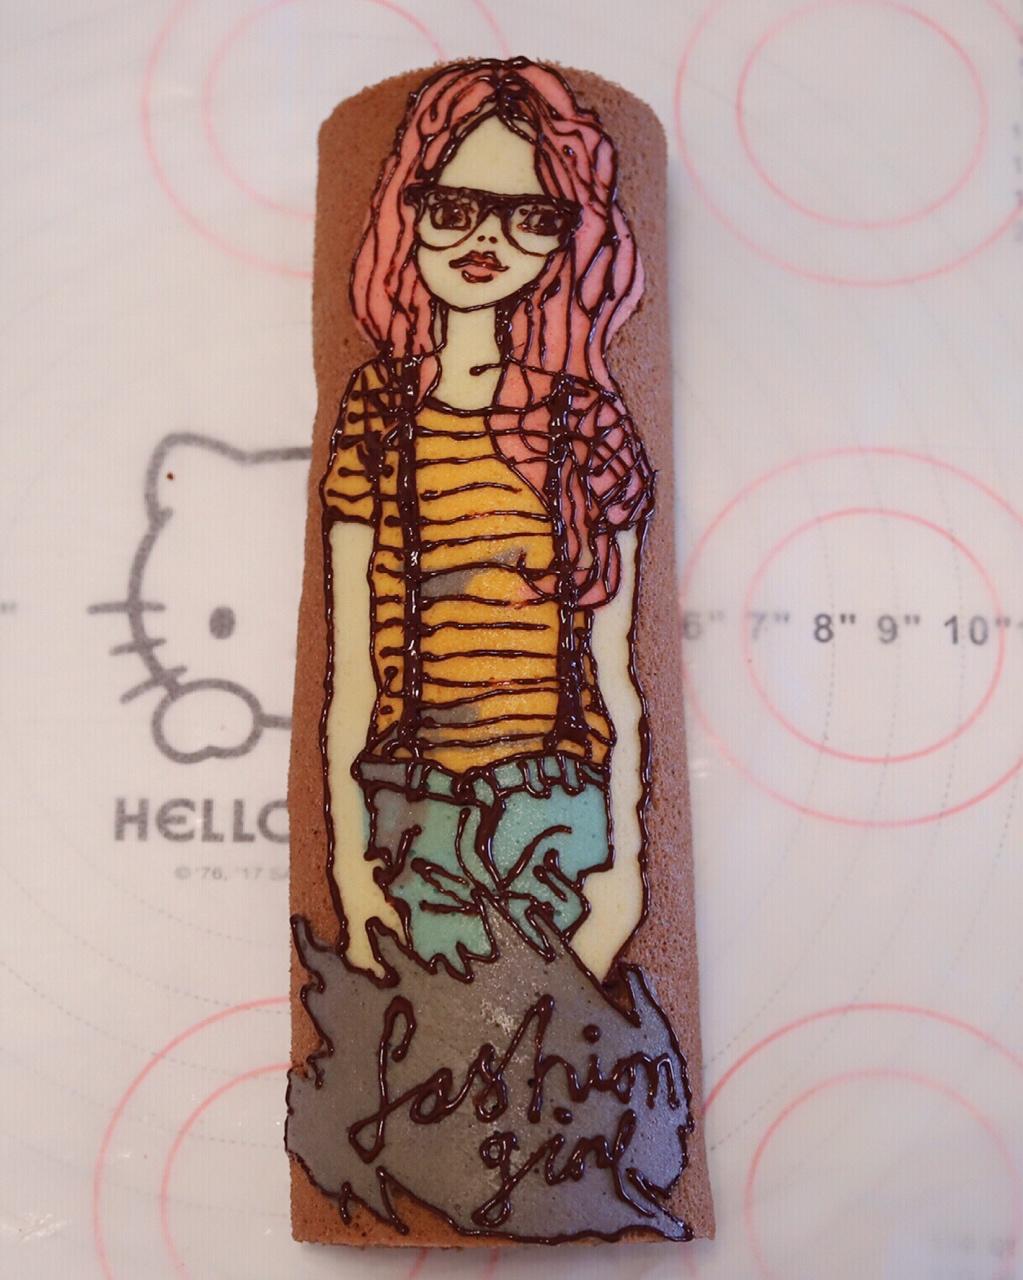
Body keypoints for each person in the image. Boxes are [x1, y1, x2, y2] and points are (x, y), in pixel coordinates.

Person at [322, 58, 655, 980]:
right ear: (410, 210)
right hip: (412, 801)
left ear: (565, 239)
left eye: (530, 217)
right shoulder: (377, 412)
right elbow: (351, 666)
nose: (486, 240)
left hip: (554, 803)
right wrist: (349, 868)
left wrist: (624, 874)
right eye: (453, 208)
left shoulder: (587, 424)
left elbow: (617, 667)